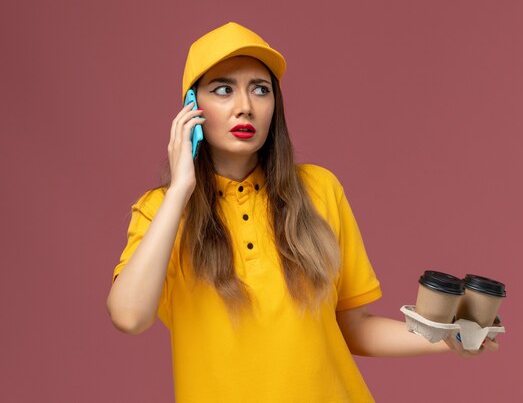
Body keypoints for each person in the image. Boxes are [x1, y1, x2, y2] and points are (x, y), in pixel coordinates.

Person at [106, 22, 499, 403]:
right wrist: (179, 192)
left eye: (260, 89)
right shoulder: (161, 211)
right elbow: (129, 316)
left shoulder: (319, 189)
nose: (245, 106)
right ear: (191, 109)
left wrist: (447, 338)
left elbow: (354, 328)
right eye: (223, 89)